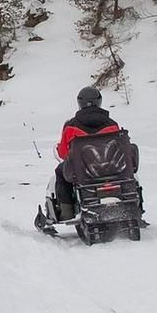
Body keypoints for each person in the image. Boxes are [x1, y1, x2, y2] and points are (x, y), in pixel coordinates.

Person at [43, 86, 119, 222]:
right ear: (99, 101)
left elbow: (63, 152)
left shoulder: (71, 126)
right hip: (110, 168)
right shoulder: (112, 124)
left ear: (80, 102)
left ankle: (66, 211)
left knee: (60, 173)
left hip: (82, 171)